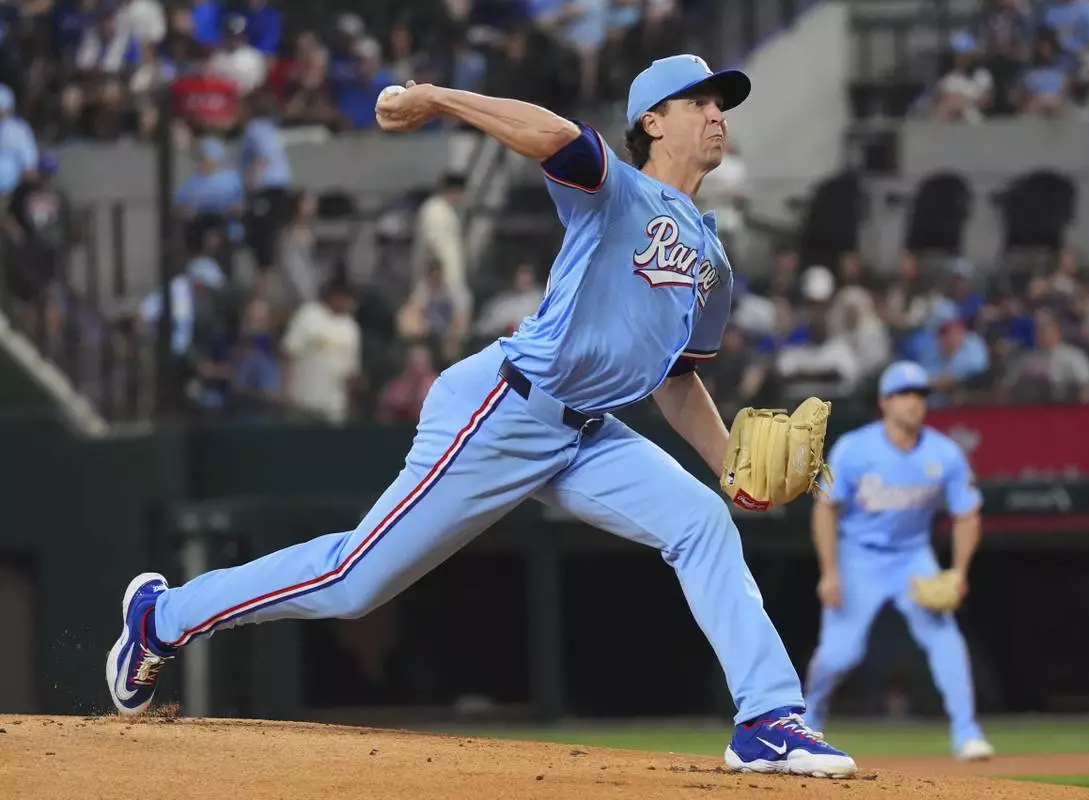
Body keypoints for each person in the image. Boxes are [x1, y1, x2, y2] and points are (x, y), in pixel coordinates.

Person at [105, 53, 857, 778]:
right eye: (700, 102)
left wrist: (728, 467)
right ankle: (163, 618)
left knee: (702, 522)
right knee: (355, 581)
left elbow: (677, 379)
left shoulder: (713, 261)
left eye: (722, 104)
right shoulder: (614, 189)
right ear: (653, 122)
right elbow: (553, 134)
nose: (718, 115)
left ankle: (768, 718)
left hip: (590, 434)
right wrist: (436, 98)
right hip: (507, 408)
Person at [803, 361, 994, 762]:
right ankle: (810, 718)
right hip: (858, 556)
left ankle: (967, 732)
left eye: (920, 394)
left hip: (912, 556)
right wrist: (829, 571)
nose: (914, 402)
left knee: (945, 639)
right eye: (904, 394)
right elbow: (825, 509)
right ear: (884, 402)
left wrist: (959, 571)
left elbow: (967, 514)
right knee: (839, 654)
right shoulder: (855, 448)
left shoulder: (944, 453)